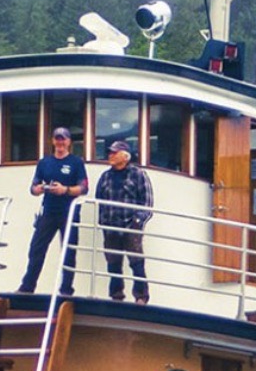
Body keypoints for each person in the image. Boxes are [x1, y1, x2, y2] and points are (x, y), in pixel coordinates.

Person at [17, 126, 88, 295]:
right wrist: (40, 188)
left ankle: (66, 289)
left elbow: (84, 187)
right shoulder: (44, 162)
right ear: (53, 141)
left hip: (68, 213)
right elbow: (32, 188)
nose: (60, 142)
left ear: (69, 142)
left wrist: (66, 190)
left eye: (63, 139)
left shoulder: (76, 162)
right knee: (36, 249)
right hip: (48, 211)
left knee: (69, 251)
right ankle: (27, 286)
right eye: (57, 138)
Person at [93, 140, 154, 303]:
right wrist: (103, 222)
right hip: (110, 227)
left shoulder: (138, 174)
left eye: (114, 152)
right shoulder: (105, 176)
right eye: (110, 152)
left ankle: (141, 296)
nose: (110, 155)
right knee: (113, 264)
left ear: (124, 156)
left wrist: (137, 222)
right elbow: (99, 199)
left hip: (131, 226)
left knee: (137, 263)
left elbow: (147, 203)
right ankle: (116, 296)